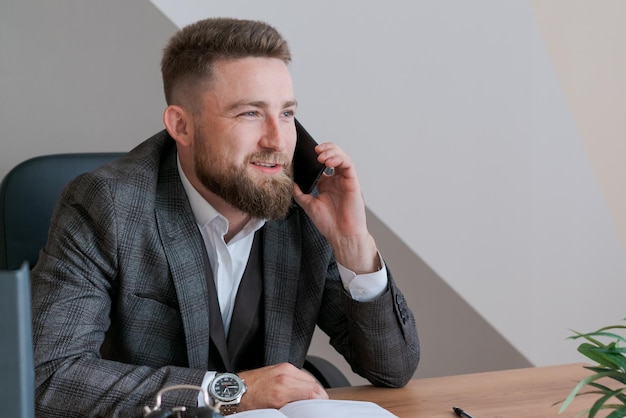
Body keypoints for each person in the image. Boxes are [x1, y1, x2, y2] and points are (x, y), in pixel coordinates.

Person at [31, 17, 419, 417]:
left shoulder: (306, 203)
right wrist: (230, 390)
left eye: (286, 114)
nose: (276, 140)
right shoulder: (106, 204)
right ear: (181, 125)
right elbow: (50, 376)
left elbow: (392, 368)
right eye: (250, 113)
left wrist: (352, 244)